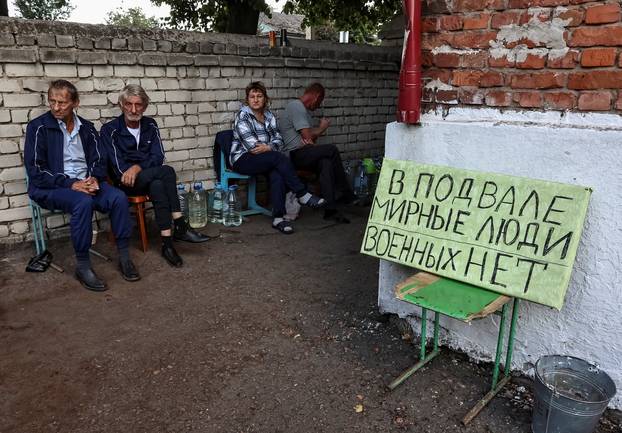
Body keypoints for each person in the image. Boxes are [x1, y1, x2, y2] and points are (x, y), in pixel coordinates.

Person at [24, 80, 139, 292]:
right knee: (83, 202)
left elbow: (99, 159)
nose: (56, 107)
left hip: (85, 183)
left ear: (75, 103)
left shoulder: (86, 128)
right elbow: (36, 171)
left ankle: (124, 257)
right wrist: (71, 183)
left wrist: (95, 178)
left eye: (62, 102)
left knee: (118, 198)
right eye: (52, 102)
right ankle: (83, 266)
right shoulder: (38, 127)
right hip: (51, 187)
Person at [100, 84, 208, 268]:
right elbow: (119, 170)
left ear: (145, 106)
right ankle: (180, 225)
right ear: (121, 105)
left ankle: (167, 244)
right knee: (167, 171)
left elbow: (158, 156)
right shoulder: (109, 130)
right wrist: (134, 169)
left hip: (146, 177)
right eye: (128, 104)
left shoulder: (150, 124)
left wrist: (137, 167)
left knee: (158, 184)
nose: (133, 110)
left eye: (138, 105)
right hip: (124, 183)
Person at [230, 81, 326, 234]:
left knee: (278, 172)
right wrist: (271, 146)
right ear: (247, 100)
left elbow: (279, 140)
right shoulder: (243, 116)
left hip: (267, 157)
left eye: (259, 96)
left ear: (265, 99)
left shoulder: (269, 116)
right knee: (277, 158)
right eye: (252, 96)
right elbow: (253, 147)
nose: (255, 99)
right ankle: (302, 194)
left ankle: (278, 219)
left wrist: (269, 146)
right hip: (243, 159)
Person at [279, 82, 355, 223]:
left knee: (325, 162)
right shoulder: (296, 107)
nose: (319, 106)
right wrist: (322, 128)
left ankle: (330, 210)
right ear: (316, 96)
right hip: (293, 155)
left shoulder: (304, 112)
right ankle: (346, 193)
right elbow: (308, 136)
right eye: (320, 102)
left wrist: (313, 135)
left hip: (304, 153)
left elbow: (309, 137)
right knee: (331, 150)